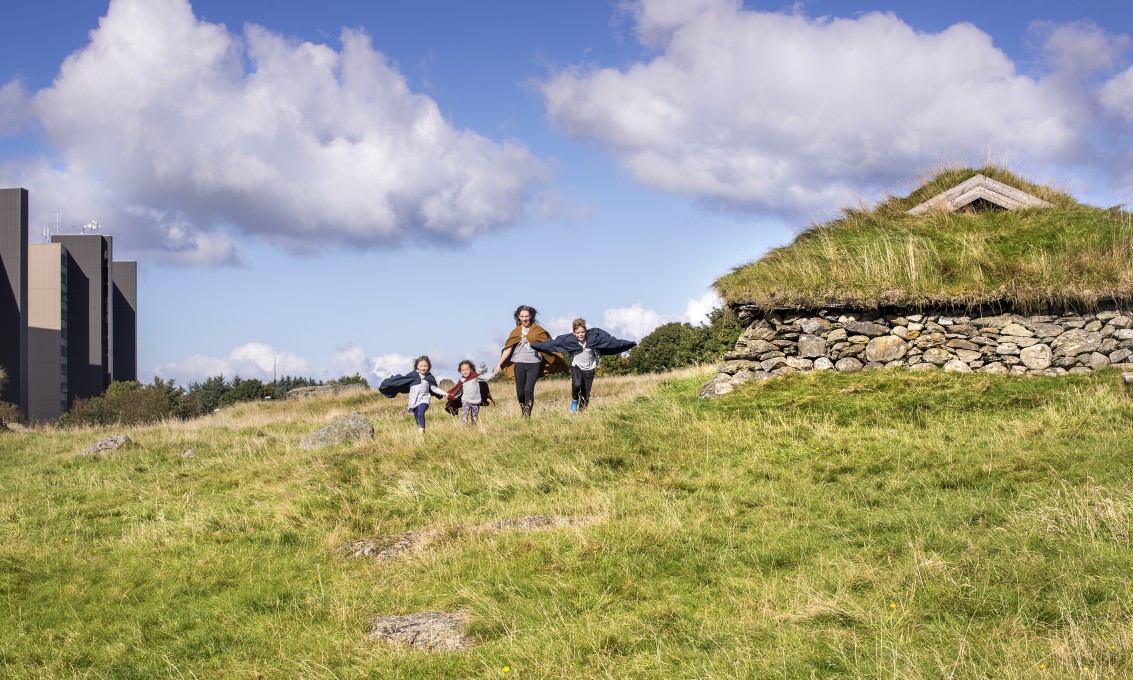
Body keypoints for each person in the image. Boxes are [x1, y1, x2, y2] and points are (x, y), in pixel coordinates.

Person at [532, 318, 636, 412]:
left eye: (583, 332)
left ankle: (582, 412)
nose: (581, 334)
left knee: (586, 393)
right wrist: (535, 346)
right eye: (578, 333)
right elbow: (552, 344)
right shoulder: (570, 341)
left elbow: (611, 342)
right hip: (576, 366)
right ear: (574, 333)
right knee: (576, 384)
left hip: (590, 368)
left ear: (586, 332)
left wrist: (629, 343)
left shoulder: (593, 340)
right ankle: (574, 400)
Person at [493, 305, 567, 418]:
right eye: (522, 316)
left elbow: (548, 343)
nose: (524, 319)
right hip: (519, 362)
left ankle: (526, 415)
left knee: (528, 389)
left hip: (534, 363)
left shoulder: (538, 330)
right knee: (520, 393)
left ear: (531, 316)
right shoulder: (515, 332)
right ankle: (523, 410)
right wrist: (498, 365)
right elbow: (508, 348)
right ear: (518, 317)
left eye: (526, 316)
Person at [377, 355, 447, 434]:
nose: (423, 368)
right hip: (413, 401)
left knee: (421, 414)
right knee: (417, 416)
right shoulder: (413, 375)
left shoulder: (429, 377)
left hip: (424, 399)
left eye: (425, 366)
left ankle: (421, 433)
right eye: (421, 366)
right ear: (417, 366)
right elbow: (404, 381)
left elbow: (434, 389)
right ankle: (422, 432)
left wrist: (445, 393)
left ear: (428, 366)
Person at [445, 360, 497, 426]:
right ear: (460, 371)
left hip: (476, 401)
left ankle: (474, 429)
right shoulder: (462, 380)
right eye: (463, 370)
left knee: (475, 417)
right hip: (466, 401)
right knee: (464, 415)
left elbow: (485, 378)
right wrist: (453, 397)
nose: (465, 372)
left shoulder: (475, 377)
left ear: (471, 369)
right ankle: (463, 428)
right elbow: (459, 391)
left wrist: (493, 374)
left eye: (467, 369)